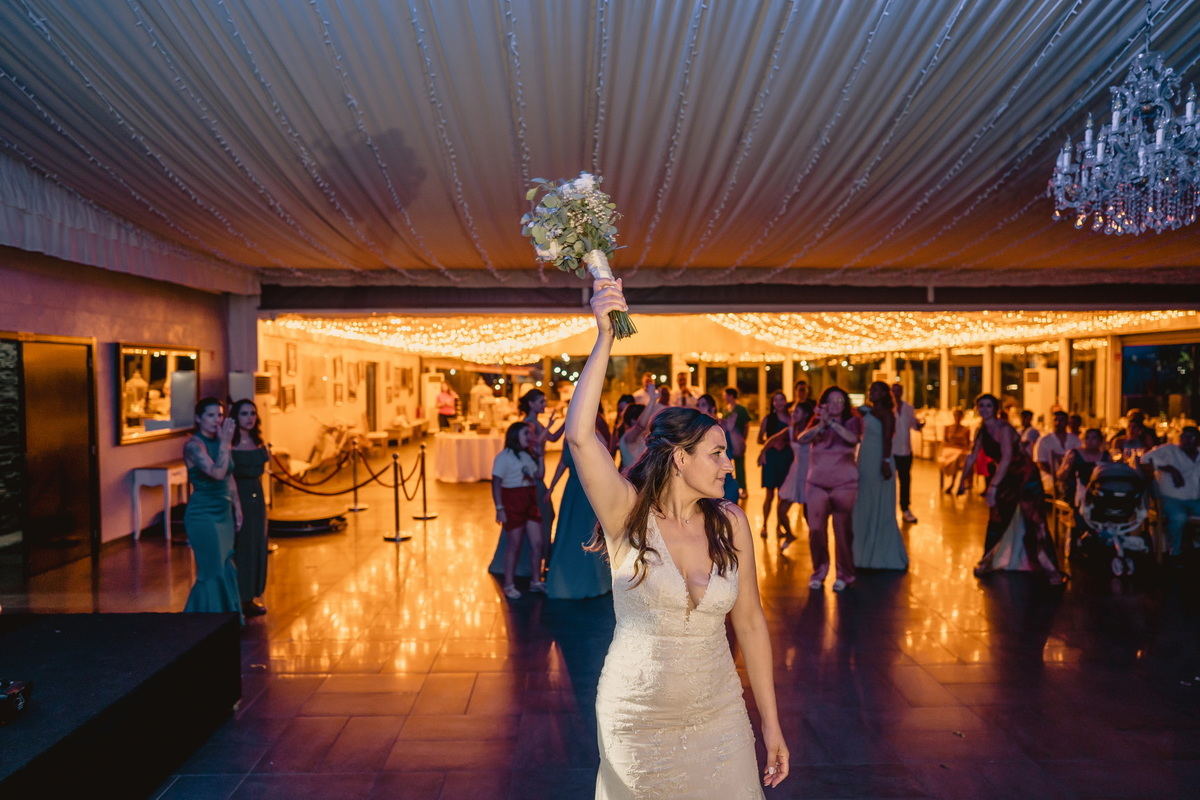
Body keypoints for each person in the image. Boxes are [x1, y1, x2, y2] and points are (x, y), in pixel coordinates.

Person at [566, 278, 788, 795]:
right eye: (717, 454)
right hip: (636, 718)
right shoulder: (626, 514)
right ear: (680, 458)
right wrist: (604, 336)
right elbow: (579, 436)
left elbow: (750, 623)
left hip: (720, 713)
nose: (729, 466)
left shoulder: (731, 522)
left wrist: (771, 724)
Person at [958, 394, 1064, 584]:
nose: (984, 409)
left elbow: (1007, 458)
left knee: (1035, 520)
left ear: (995, 409)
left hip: (1025, 475)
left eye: (988, 406)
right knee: (997, 517)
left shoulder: (1004, 429)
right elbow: (972, 456)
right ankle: (988, 560)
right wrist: (961, 481)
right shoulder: (982, 430)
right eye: (981, 406)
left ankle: (1050, 569)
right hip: (1007, 475)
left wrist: (993, 488)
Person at [182, 398, 242, 620]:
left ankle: (226, 618)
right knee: (212, 570)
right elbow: (217, 473)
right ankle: (203, 621)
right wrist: (225, 443)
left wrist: (237, 506)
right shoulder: (194, 446)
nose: (217, 420)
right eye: (210, 415)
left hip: (223, 512)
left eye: (219, 415)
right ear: (198, 418)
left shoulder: (221, 441)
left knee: (225, 564)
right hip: (203, 514)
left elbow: (228, 475)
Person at [797, 386, 861, 591]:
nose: (836, 405)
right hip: (817, 482)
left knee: (842, 530)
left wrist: (832, 423)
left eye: (840, 401)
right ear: (824, 403)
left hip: (844, 484)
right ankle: (819, 571)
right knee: (816, 529)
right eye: (832, 400)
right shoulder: (817, 422)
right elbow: (801, 439)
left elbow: (853, 439)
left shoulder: (852, 421)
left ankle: (845, 574)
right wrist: (821, 425)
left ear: (845, 404)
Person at [545, 419, 611, 600]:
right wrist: (551, 487)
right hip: (572, 489)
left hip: (589, 490)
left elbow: (605, 466)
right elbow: (562, 463)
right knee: (569, 531)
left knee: (587, 531)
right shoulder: (568, 437)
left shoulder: (596, 437)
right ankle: (564, 578)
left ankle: (593, 581)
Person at [853, 382, 908, 571]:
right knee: (864, 499)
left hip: (878, 458)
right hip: (865, 457)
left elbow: (887, 439)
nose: (871, 393)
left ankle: (878, 551)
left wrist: (885, 461)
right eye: (870, 389)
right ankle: (863, 550)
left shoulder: (887, 414)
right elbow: (857, 410)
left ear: (884, 393)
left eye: (875, 390)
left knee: (877, 500)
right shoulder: (869, 411)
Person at [492, 421, 546, 599]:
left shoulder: (527, 455)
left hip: (530, 500)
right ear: (515, 436)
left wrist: (540, 457)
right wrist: (499, 508)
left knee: (537, 542)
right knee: (514, 545)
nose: (530, 437)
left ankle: (535, 581)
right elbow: (496, 483)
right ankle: (508, 584)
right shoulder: (503, 457)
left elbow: (539, 475)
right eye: (526, 434)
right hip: (513, 501)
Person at [229, 399, 270, 618]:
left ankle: (251, 595)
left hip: (257, 496)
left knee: (257, 543)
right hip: (239, 495)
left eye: (253, 413)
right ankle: (239, 596)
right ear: (236, 417)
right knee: (242, 545)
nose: (250, 418)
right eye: (244, 414)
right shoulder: (230, 443)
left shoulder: (257, 441)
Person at [1141, 426, 1200, 559]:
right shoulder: (1169, 450)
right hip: (1170, 499)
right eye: (1183, 436)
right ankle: (1175, 552)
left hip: (1195, 499)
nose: (1185, 440)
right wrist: (1170, 469)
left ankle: (1195, 543)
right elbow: (1144, 459)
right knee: (1179, 517)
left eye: (1190, 437)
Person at [519, 388, 563, 537]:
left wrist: (567, 422)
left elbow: (553, 438)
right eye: (541, 402)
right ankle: (541, 545)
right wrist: (549, 426)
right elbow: (535, 444)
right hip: (533, 471)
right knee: (545, 512)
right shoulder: (529, 423)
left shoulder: (536, 422)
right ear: (531, 404)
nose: (545, 404)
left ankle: (542, 545)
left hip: (538, 469)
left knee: (546, 512)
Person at [778, 380, 815, 548]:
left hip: (808, 473)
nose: (793, 414)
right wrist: (764, 452)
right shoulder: (791, 429)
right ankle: (789, 534)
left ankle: (816, 542)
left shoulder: (811, 432)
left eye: (797, 412)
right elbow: (773, 439)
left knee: (808, 513)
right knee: (781, 510)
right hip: (795, 472)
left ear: (806, 414)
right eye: (793, 411)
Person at [756, 390, 795, 540]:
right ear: (773, 403)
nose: (779, 403)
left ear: (785, 402)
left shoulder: (791, 419)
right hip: (771, 458)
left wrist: (784, 443)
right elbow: (759, 439)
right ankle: (765, 524)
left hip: (786, 457)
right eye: (776, 400)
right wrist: (771, 444)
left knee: (782, 495)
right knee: (769, 494)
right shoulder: (768, 419)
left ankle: (779, 526)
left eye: (781, 399)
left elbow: (796, 438)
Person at [890, 383, 924, 523]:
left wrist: (919, 425)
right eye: (894, 391)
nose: (897, 393)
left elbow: (914, 425)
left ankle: (905, 509)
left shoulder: (909, 408)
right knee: (889, 482)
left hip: (905, 450)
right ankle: (889, 510)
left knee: (905, 481)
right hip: (890, 451)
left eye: (899, 390)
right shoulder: (887, 408)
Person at [698, 393, 741, 503]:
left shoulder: (725, 426)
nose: (699, 408)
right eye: (698, 405)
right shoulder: (695, 432)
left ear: (713, 409)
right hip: (704, 486)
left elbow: (739, 451)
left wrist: (731, 431)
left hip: (726, 484)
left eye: (703, 405)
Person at [1034, 410, 1081, 494]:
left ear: (1067, 422)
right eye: (1055, 420)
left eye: (1061, 420)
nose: (1058, 423)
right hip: (1049, 480)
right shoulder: (1044, 440)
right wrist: (1056, 475)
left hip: (1072, 480)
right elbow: (1040, 462)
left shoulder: (1074, 439)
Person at [722, 387, 752, 500]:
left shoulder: (741, 409)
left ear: (730, 395)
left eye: (725, 395)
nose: (724, 397)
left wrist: (743, 439)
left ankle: (743, 488)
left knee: (739, 465)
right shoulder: (726, 409)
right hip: (727, 442)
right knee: (727, 465)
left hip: (737, 440)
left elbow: (746, 425)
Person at [937, 408, 972, 492]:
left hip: (960, 451)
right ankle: (955, 483)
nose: (957, 418)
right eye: (955, 415)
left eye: (959, 416)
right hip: (949, 450)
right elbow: (944, 442)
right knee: (956, 457)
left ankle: (953, 483)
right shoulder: (948, 428)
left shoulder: (966, 429)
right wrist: (953, 445)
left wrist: (960, 447)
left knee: (959, 456)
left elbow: (968, 444)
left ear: (962, 417)